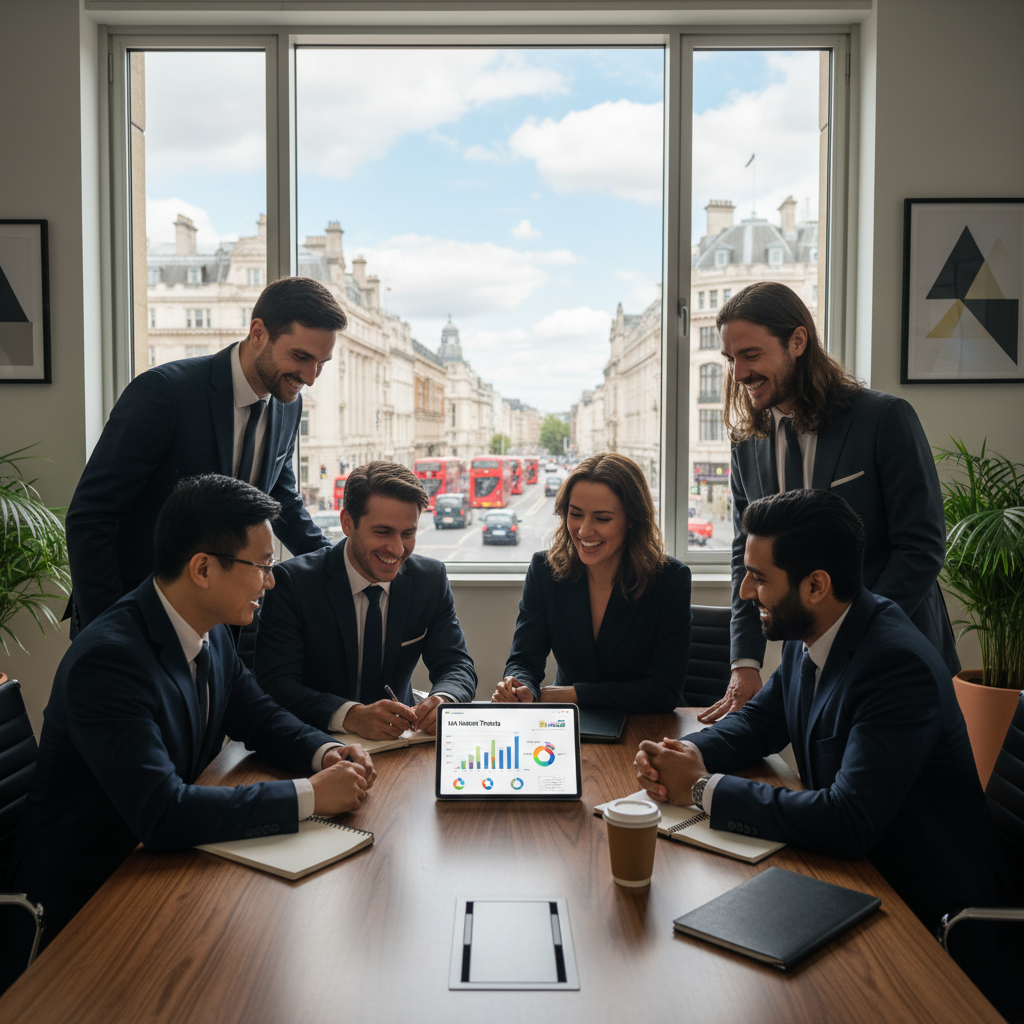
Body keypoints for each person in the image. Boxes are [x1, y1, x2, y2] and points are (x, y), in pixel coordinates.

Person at [634, 489, 1020, 1015]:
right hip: (855, 877)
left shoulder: (893, 664)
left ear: (817, 585)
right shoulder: (812, 628)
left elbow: (848, 819)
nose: (746, 591)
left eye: (760, 577)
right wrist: (677, 754)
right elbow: (758, 724)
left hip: (927, 916)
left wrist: (701, 788)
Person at [3, 475, 375, 965]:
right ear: (203, 568)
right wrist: (310, 795)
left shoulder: (211, 629)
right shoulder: (110, 661)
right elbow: (163, 813)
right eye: (263, 564)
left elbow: (257, 716)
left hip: (162, 867)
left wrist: (323, 750)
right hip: (89, 901)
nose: (271, 579)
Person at [704, 280, 958, 724]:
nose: (739, 373)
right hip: (807, 660)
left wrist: (851, 634)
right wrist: (745, 660)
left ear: (797, 341)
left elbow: (922, 546)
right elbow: (745, 553)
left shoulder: (883, 419)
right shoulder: (746, 443)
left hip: (897, 653)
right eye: (731, 359)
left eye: (751, 355)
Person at [64, 276, 346, 634]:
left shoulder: (290, 406)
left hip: (220, 623)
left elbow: (281, 501)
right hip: (135, 617)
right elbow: (92, 517)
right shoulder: (166, 392)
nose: (310, 376)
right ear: (258, 332)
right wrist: (110, 627)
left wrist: (344, 563)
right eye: (301, 357)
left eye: (322, 362)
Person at [254, 461, 477, 738]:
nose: (397, 549)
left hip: (399, 741)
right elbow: (275, 683)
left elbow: (456, 664)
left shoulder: (429, 579)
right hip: (315, 738)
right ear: (347, 522)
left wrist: (445, 699)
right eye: (382, 532)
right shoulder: (292, 582)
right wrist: (350, 716)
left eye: (408, 533)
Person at [492, 452, 691, 712]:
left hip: (644, 726)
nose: (584, 531)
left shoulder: (669, 579)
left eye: (602, 518)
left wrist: (574, 694)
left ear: (632, 519)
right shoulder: (544, 571)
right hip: (568, 721)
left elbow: (664, 692)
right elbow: (524, 659)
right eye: (575, 514)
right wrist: (520, 685)